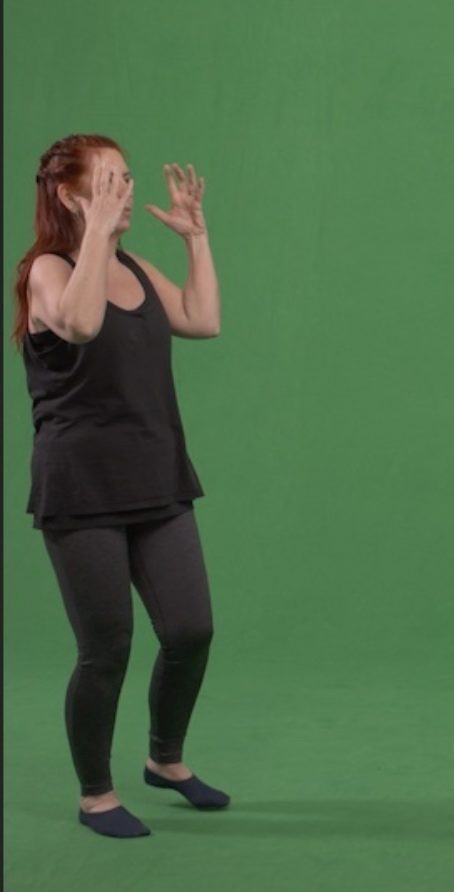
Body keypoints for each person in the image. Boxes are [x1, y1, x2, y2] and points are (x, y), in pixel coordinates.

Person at [13, 134, 231, 839]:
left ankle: (165, 761)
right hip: (80, 488)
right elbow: (78, 323)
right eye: (111, 182)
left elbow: (202, 320)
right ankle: (95, 793)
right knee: (106, 648)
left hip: (157, 474)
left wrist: (197, 240)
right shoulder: (47, 271)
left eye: (129, 179)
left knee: (192, 630)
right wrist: (97, 235)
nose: (129, 192)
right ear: (72, 196)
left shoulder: (135, 266)